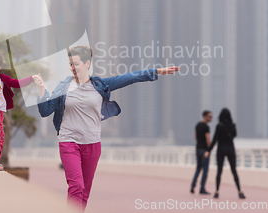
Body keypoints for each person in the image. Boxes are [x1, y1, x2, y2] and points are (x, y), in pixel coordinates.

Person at [35, 45, 179, 211]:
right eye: (70, 64)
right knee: (76, 186)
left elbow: (130, 77)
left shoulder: (101, 85)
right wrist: (41, 89)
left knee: (85, 191)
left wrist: (157, 71)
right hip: (68, 142)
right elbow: (45, 111)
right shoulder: (63, 87)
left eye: (76, 63)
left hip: (92, 144)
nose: (72, 67)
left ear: (87, 63)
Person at [205, 108, 245, 199]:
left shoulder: (219, 126)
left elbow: (215, 139)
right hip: (230, 149)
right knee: (234, 171)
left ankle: (217, 191)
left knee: (219, 171)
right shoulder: (232, 125)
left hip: (221, 149)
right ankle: (239, 191)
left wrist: (208, 150)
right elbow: (235, 135)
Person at [190, 110, 213, 194]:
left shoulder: (198, 125)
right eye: (210, 116)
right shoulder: (206, 127)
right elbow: (208, 140)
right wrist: (209, 150)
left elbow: (195, 137)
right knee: (205, 170)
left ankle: (193, 185)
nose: (211, 118)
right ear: (205, 116)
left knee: (198, 168)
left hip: (198, 149)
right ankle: (202, 188)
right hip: (204, 150)